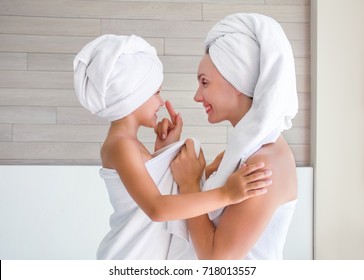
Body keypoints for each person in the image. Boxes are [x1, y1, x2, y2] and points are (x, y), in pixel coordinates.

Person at [73, 34, 272, 259]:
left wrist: (165, 150)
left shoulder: (130, 145)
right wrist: (227, 194)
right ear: (132, 96)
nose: (160, 102)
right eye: (156, 92)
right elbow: (157, 209)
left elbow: (154, 189)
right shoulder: (120, 146)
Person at [166, 13, 299, 259]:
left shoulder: (264, 163)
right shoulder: (240, 155)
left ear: (238, 80)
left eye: (204, 83)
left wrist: (190, 184)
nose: (197, 96)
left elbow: (217, 263)